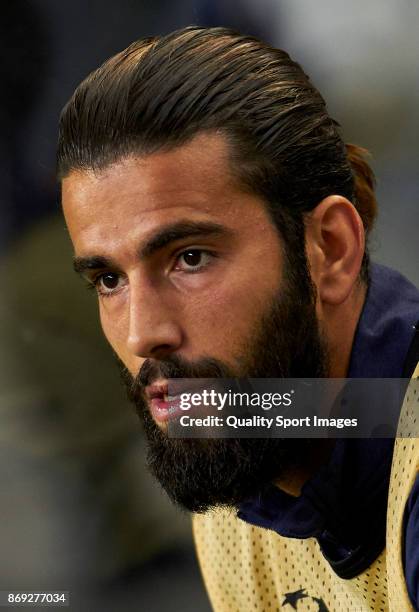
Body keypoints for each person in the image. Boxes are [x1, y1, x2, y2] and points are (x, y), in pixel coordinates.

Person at [57, 27, 419, 610]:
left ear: (330, 249)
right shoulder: (242, 463)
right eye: (109, 280)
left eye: (190, 259)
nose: (142, 333)